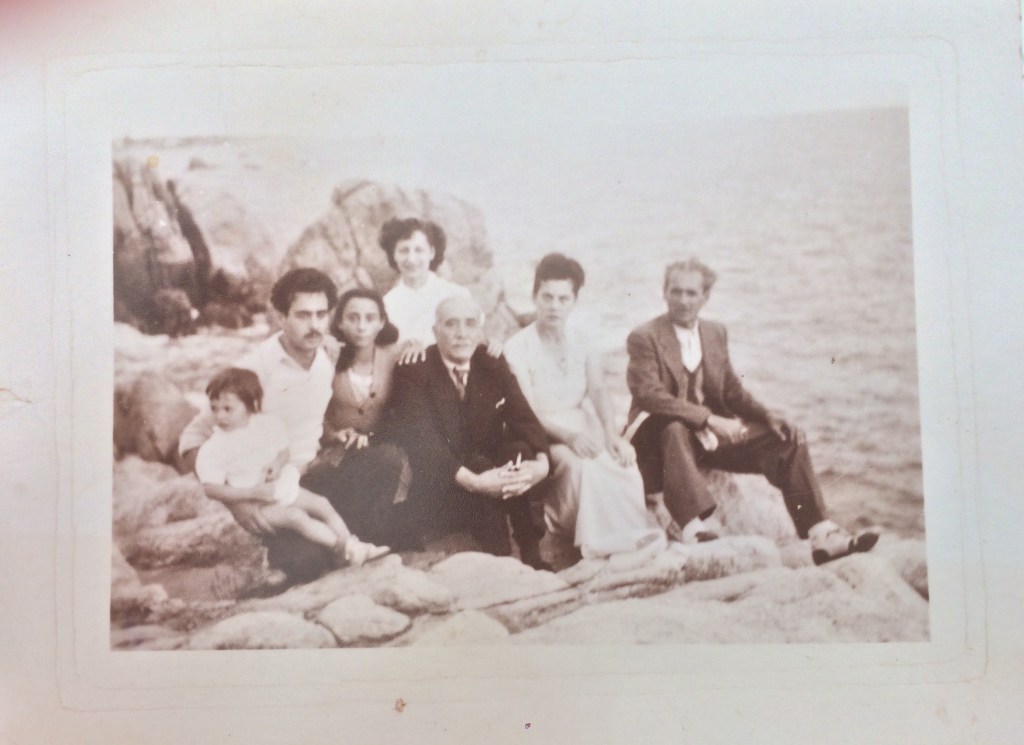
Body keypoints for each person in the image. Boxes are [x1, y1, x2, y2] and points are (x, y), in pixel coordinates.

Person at [625, 258, 879, 563]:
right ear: (664, 292)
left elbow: (731, 390)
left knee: (787, 440)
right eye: (675, 291)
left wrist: (767, 416)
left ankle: (821, 534)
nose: (683, 300)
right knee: (675, 429)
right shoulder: (645, 337)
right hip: (659, 439)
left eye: (692, 293)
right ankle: (694, 529)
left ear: (706, 297)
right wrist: (710, 419)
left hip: (706, 439)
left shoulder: (715, 332)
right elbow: (649, 395)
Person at [178, 268, 403, 581]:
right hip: (269, 493)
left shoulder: (327, 353)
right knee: (306, 564)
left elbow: (309, 415)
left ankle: (344, 541)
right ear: (280, 317)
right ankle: (322, 545)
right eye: (302, 315)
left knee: (386, 459)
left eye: (322, 314)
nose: (314, 325)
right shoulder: (253, 370)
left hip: (314, 476)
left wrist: (335, 434)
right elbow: (191, 439)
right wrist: (239, 504)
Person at [504, 254, 666, 558]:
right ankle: (598, 541)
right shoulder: (518, 348)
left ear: (574, 300)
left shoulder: (583, 338)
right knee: (583, 468)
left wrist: (611, 434)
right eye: (547, 296)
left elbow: (598, 389)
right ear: (534, 296)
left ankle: (632, 534)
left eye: (563, 298)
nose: (554, 305)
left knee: (624, 464)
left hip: (583, 425)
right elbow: (527, 413)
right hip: (543, 434)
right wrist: (570, 438)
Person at [382, 295, 552, 568]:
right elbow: (423, 442)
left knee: (519, 452)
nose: (462, 334)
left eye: (470, 324)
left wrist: (541, 465)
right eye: (451, 324)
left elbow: (525, 419)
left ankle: (532, 553)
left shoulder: (490, 363)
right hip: (440, 489)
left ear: (480, 330)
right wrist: (476, 481)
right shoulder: (415, 369)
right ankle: (499, 561)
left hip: (491, 482)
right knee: (479, 463)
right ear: (435, 331)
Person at [195, 367, 389, 566]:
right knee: (295, 517)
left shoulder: (265, 425)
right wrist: (252, 494)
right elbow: (210, 488)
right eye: (214, 408)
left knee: (321, 504)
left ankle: (347, 547)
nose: (219, 416)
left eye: (228, 409)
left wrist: (277, 464)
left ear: (250, 404)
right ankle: (348, 550)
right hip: (256, 504)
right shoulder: (215, 447)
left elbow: (283, 450)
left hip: (282, 487)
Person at [299, 288, 411, 547]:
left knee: (387, 461)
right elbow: (311, 410)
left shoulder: (394, 357)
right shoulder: (325, 356)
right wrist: (334, 434)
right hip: (337, 453)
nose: (361, 326)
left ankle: (367, 535)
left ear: (381, 322)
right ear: (339, 322)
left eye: (370, 318)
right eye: (353, 318)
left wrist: (415, 346)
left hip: (381, 451)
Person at [378, 217, 471, 351]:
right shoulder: (386, 304)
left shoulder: (457, 295)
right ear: (394, 255)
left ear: (431, 253)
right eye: (404, 250)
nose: (411, 259)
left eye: (419, 250)